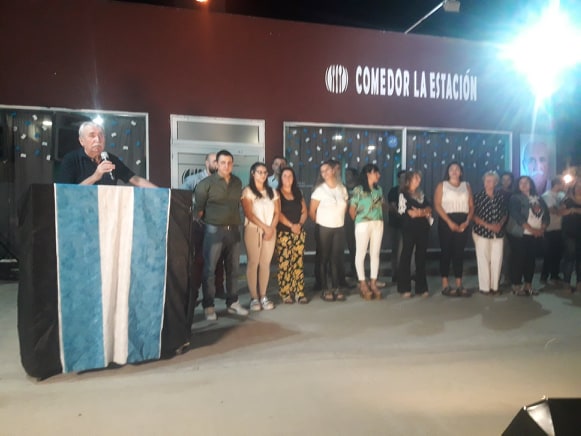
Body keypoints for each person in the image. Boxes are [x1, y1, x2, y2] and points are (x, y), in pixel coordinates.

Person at [194, 149, 248, 320]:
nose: (226, 166)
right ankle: (209, 306)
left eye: (229, 163)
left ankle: (232, 302)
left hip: (234, 230)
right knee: (209, 269)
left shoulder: (237, 182)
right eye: (223, 162)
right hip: (213, 230)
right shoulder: (205, 184)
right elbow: (198, 211)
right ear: (216, 164)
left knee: (233, 269)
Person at [180, 153, 225, 319]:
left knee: (214, 265)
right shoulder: (193, 180)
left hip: (218, 228)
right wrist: (193, 215)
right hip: (199, 229)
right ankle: (191, 302)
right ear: (207, 163)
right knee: (198, 266)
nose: (217, 164)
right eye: (214, 161)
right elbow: (181, 198)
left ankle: (210, 302)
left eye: (218, 162)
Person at [57, 121, 156, 187]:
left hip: (107, 209)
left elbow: (135, 179)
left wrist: (161, 192)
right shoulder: (70, 160)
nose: (98, 139)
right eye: (92, 135)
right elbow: (64, 192)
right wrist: (95, 176)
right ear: (82, 141)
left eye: (101, 135)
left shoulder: (111, 159)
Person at [242, 162, 280, 311]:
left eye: (265, 172)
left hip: (270, 230)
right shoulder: (248, 191)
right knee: (253, 262)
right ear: (253, 173)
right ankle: (254, 297)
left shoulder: (272, 192)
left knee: (265, 263)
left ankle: (263, 295)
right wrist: (264, 227)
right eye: (259, 172)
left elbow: (277, 212)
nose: (263, 175)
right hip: (254, 230)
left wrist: (270, 229)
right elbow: (249, 214)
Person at [309, 161, 349, 302]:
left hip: (339, 227)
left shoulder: (342, 189)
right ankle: (325, 288)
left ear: (333, 171)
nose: (324, 173)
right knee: (324, 258)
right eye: (322, 171)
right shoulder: (320, 190)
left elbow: (345, 206)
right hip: (324, 228)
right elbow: (312, 211)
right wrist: (322, 223)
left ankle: (336, 287)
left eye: (327, 170)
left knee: (335, 258)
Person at [434, 162, 474, 297]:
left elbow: (471, 206)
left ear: (461, 172)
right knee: (446, 252)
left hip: (463, 220)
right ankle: (445, 284)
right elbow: (437, 205)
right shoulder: (442, 185)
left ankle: (459, 284)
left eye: (457, 169)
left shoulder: (466, 185)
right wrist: (449, 222)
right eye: (452, 169)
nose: (454, 171)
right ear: (448, 172)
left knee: (459, 253)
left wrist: (467, 221)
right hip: (446, 221)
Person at [505, 176, 549, 296]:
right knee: (518, 259)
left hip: (535, 234)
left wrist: (542, 229)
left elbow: (546, 215)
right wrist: (531, 229)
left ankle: (528, 285)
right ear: (518, 185)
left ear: (531, 184)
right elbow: (516, 215)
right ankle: (516, 285)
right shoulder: (515, 198)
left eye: (526, 182)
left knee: (531, 259)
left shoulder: (539, 198)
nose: (524, 185)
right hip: (519, 233)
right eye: (521, 183)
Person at [349, 164, 384, 300]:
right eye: (376, 172)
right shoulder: (358, 190)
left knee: (375, 253)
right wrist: (359, 221)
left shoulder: (379, 189)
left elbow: (382, 204)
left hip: (378, 223)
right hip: (363, 223)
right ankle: (362, 283)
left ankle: (373, 282)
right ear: (368, 174)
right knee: (361, 253)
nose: (378, 175)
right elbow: (352, 209)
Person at [397, 170, 432, 298]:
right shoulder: (403, 195)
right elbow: (408, 213)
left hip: (423, 228)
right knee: (406, 255)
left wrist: (420, 212)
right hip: (409, 228)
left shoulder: (421, 194)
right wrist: (422, 212)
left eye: (419, 178)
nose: (418, 180)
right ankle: (404, 287)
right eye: (415, 178)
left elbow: (429, 208)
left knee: (421, 256)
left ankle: (421, 287)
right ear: (409, 180)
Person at [276, 167, 308, 304]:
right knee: (285, 263)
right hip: (284, 233)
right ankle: (285, 292)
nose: (287, 178)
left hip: (299, 233)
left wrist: (299, 224)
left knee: (298, 262)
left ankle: (299, 292)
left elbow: (304, 211)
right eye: (285, 175)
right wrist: (291, 226)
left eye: (290, 175)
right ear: (281, 178)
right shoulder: (277, 193)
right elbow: (278, 213)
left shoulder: (297, 193)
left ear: (293, 178)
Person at [472, 171, 507, 296]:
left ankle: (495, 287)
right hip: (482, 232)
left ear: (496, 182)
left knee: (497, 260)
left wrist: (500, 224)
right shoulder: (477, 196)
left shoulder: (500, 197)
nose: (488, 183)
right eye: (486, 180)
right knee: (483, 259)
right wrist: (488, 226)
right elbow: (473, 215)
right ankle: (485, 288)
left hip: (498, 233)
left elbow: (505, 213)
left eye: (491, 181)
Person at [540, 176, 567, 286]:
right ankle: (544, 276)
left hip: (560, 227)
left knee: (557, 253)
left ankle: (555, 275)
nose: (564, 186)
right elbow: (552, 210)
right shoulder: (547, 196)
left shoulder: (562, 195)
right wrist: (565, 210)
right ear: (557, 184)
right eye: (563, 184)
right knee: (548, 253)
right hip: (549, 227)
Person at [387, 170, 407, 283]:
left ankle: (404, 272)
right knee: (395, 249)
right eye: (402, 177)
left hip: (407, 225)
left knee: (404, 249)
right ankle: (395, 273)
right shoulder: (393, 191)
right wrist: (401, 215)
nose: (404, 180)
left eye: (405, 177)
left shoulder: (410, 191)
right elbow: (392, 206)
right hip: (395, 224)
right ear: (398, 179)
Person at [562, 178, 581, 294]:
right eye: (577, 187)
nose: (579, 189)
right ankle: (566, 283)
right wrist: (571, 210)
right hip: (570, 232)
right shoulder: (567, 199)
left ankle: (579, 283)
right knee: (569, 258)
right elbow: (561, 212)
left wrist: (575, 210)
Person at [499, 171, 515, 286]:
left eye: (508, 179)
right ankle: (504, 278)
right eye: (503, 179)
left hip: (514, 226)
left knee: (512, 253)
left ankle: (511, 277)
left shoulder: (515, 193)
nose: (506, 182)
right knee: (504, 253)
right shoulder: (497, 193)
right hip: (501, 227)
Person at [343, 167, 359, 278]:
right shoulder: (343, 188)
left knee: (357, 246)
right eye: (346, 175)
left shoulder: (359, 188)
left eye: (349, 174)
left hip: (358, 219)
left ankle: (357, 270)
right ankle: (351, 268)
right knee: (350, 245)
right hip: (346, 220)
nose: (347, 177)